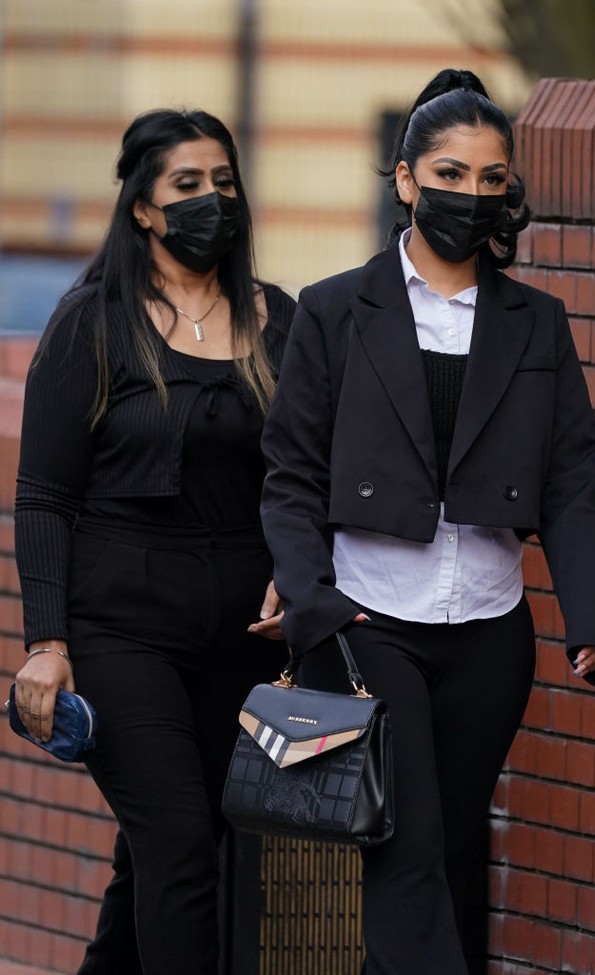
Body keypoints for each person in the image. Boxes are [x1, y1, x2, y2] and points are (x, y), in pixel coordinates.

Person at [254, 68, 595, 975]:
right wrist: (313, 603)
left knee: (451, 848)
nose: (470, 195)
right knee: (407, 846)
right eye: (450, 175)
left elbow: (574, 474)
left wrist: (591, 621)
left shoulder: (536, 323)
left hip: (491, 633)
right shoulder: (337, 310)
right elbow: (292, 473)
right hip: (372, 625)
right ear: (408, 180)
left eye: (491, 179)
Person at [12, 107, 296, 975]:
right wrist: (48, 644)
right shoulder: (92, 322)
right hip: (121, 627)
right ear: (142, 205)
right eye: (187, 185)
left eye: (223, 182)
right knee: (177, 841)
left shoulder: (278, 322)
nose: (212, 200)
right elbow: (44, 497)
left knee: (182, 843)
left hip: (243, 635)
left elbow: (307, 474)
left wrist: (298, 568)